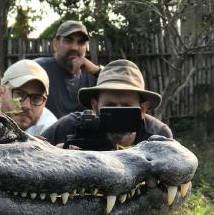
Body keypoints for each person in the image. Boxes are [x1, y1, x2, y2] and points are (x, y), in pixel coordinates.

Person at [41, 59, 172, 149]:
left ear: (143, 109)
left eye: (127, 106)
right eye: (110, 105)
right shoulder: (69, 127)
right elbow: (31, 152)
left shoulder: (158, 135)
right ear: (94, 106)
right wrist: (55, 153)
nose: (118, 114)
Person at [35, 20, 101, 118]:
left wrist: (97, 71)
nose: (75, 47)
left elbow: (123, 90)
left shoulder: (94, 75)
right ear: (55, 44)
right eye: (68, 41)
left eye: (81, 42)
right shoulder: (38, 69)